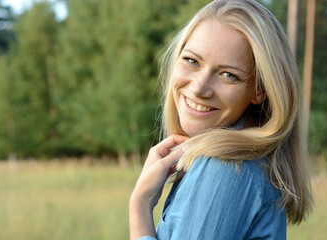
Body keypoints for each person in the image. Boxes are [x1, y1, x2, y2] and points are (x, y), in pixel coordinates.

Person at [129, 0, 314, 239]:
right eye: (192, 61)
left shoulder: (225, 166)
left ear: (260, 90)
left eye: (228, 75)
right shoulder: (241, 164)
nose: (199, 88)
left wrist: (140, 205)